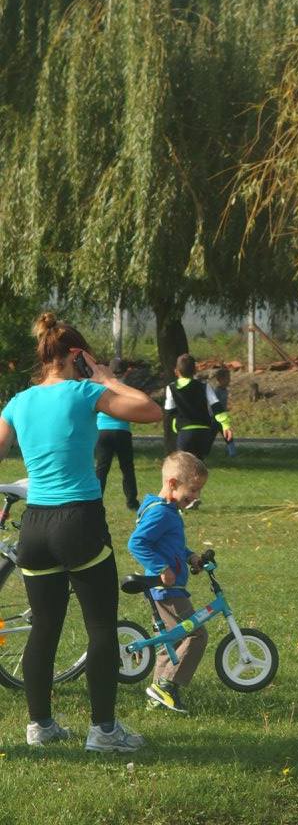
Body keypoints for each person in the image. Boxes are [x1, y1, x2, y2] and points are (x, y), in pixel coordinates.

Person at [0, 312, 162, 751]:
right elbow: (151, 411)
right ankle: (104, 731)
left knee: (44, 627)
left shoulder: (18, 401)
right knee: (101, 627)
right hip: (79, 521)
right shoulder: (86, 391)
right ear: (76, 355)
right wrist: (107, 378)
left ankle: (40, 726)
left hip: (35, 526)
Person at [127, 451, 209, 714]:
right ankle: (167, 685)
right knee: (196, 634)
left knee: (170, 641)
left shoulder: (167, 510)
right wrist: (162, 568)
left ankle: (157, 696)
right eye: (193, 489)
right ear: (173, 483)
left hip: (167, 590)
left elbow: (171, 546)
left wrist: (190, 556)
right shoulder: (161, 513)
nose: (196, 496)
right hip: (167, 590)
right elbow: (137, 543)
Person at [163, 354, 233, 466]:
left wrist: (174, 423)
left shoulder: (171, 388)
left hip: (185, 432)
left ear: (176, 371)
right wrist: (225, 425)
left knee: (184, 466)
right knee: (199, 465)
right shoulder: (204, 386)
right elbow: (216, 406)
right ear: (195, 371)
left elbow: (169, 411)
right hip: (203, 433)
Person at [95, 357, 140, 511]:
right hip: (122, 430)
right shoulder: (127, 389)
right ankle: (132, 502)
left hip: (102, 430)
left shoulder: (101, 387)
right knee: (127, 468)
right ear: (126, 372)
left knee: (101, 468)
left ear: (109, 370)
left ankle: (96, 500)